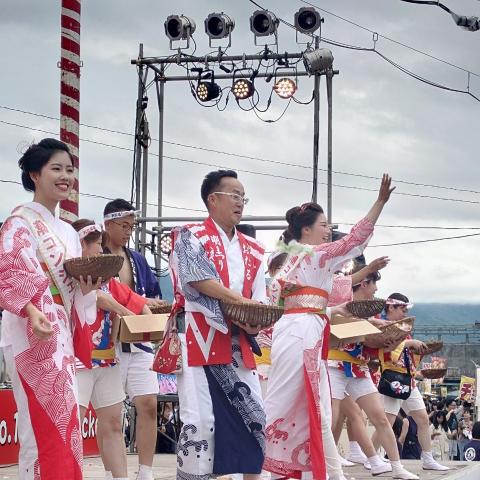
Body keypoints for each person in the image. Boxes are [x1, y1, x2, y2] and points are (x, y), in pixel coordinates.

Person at [264, 175, 402, 480]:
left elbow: (294, 303)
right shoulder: (316, 255)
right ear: (307, 229)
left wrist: (328, 309)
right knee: (307, 405)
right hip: (303, 333)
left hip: (294, 330)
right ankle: (279, 471)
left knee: (308, 406)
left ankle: (317, 472)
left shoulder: (286, 257)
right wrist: (379, 202)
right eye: (324, 225)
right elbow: (355, 240)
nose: (328, 230)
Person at [0, 139, 99, 479]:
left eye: (69, 170)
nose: (65, 176)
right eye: (56, 169)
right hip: (32, 335)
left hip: (61, 336)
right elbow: (10, 271)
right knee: (38, 427)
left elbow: (75, 294)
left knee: (66, 425)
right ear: (34, 175)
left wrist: (86, 291)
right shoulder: (19, 223)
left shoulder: (69, 233)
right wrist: (29, 309)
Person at [168, 170, 267, 479]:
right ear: (213, 199)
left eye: (243, 197)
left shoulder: (254, 249)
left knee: (255, 418)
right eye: (234, 195)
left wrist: (254, 321)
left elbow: (258, 300)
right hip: (199, 335)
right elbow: (196, 278)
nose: (240, 202)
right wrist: (240, 302)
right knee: (200, 421)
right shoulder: (190, 234)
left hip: (238, 341)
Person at [72, 219, 151, 480]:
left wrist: (142, 319)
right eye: (93, 243)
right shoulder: (68, 277)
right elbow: (101, 299)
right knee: (73, 425)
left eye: (99, 243)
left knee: (114, 424)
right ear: (79, 245)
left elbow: (139, 303)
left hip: (107, 362)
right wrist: (125, 312)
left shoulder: (109, 280)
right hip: (77, 362)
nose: (99, 249)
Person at [328, 265, 418, 479]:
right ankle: (331, 469)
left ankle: (396, 467)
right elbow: (345, 326)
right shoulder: (340, 299)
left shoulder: (372, 311)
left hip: (358, 368)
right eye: (374, 283)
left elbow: (374, 341)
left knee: (380, 417)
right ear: (364, 283)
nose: (376, 289)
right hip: (333, 365)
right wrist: (378, 325)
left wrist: (387, 337)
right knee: (330, 421)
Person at [103, 199, 164, 480]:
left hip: (138, 340)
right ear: (108, 224)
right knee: (111, 415)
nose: (129, 231)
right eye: (124, 225)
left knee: (149, 404)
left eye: (132, 226)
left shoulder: (137, 259)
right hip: (107, 343)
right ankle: (113, 472)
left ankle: (146, 471)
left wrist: (151, 302)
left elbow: (153, 292)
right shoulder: (96, 254)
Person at [372, 292, 449, 471]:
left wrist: (417, 350)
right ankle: (372, 456)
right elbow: (384, 353)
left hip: (408, 379)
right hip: (393, 379)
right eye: (403, 309)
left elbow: (404, 355)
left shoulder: (403, 328)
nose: (405, 313)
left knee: (422, 419)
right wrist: (409, 344)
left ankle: (428, 459)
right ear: (391, 307)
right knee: (386, 422)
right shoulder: (383, 326)